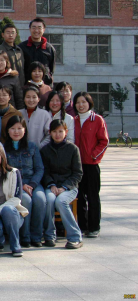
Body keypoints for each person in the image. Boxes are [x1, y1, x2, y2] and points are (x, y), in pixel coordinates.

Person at [41, 120, 84, 249]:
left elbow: (78, 173)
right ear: (50, 133)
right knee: (49, 200)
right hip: (52, 186)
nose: (57, 134)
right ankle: (49, 236)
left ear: (66, 132)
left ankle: (75, 237)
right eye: (54, 131)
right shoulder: (45, 150)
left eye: (60, 131)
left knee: (61, 201)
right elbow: (45, 172)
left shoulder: (73, 149)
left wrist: (64, 187)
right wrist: (51, 185)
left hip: (69, 187)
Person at [4, 115, 45, 248]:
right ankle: (25, 237)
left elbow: (39, 169)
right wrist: (21, 185)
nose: (16, 131)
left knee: (40, 199)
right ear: (8, 130)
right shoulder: (4, 148)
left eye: (19, 128)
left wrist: (32, 185)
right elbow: (5, 171)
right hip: (15, 184)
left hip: (33, 183)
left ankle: (37, 236)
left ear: (24, 130)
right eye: (13, 128)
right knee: (26, 200)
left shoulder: (32, 146)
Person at [74, 91, 109, 238]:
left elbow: (104, 141)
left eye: (84, 102)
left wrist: (93, 155)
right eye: (78, 102)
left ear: (89, 103)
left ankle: (94, 226)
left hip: (92, 165)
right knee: (79, 197)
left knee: (93, 196)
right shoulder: (73, 120)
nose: (81, 105)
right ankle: (82, 226)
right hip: (77, 166)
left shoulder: (97, 120)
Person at [19, 18, 56, 84]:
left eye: (39, 28)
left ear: (43, 30)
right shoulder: (21, 47)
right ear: (30, 29)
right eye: (34, 28)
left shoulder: (50, 48)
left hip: (45, 84)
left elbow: (51, 69)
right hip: (27, 85)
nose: (36, 30)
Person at [0, 22, 26, 88]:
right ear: (3, 35)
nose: (10, 35)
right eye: (8, 32)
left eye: (13, 33)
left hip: (20, 85)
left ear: (16, 35)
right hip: (6, 86)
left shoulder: (19, 50)